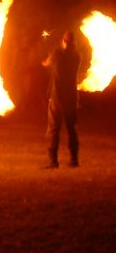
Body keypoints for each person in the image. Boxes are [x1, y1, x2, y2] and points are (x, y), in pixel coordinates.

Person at [42, 30, 81, 168]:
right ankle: (74, 160)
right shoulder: (76, 57)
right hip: (71, 98)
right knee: (72, 129)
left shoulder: (57, 55)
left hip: (57, 98)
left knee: (53, 129)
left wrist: (48, 52)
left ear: (64, 41)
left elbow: (46, 63)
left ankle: (53, 161)